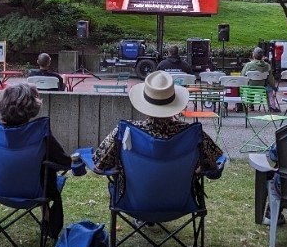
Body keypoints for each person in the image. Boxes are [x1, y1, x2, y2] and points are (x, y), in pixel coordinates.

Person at [93, 70, 223, 175]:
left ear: (144, 105)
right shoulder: (193, 133)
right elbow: (213, 169)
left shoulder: (125, 131)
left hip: (133, 197)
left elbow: (99, 165)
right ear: (174, 105)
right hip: (181, 197)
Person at [0, 83, 72, 237]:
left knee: (40, 167)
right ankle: (47, 218)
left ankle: (45, 215)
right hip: (33, 192)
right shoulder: (39, 135)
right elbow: (64, 162)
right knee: (45, 169)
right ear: (32, 107)